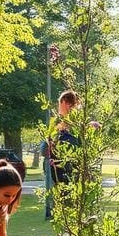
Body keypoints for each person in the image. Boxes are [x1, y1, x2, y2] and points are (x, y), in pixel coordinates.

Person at [44, 90, 80, 220]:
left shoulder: (72, 123)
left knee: (69, 203)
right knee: (66, 203)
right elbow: (48, 144)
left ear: (64, 102)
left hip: (67, 169)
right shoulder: (61, 122)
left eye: (60, 103)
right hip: (60, 168)